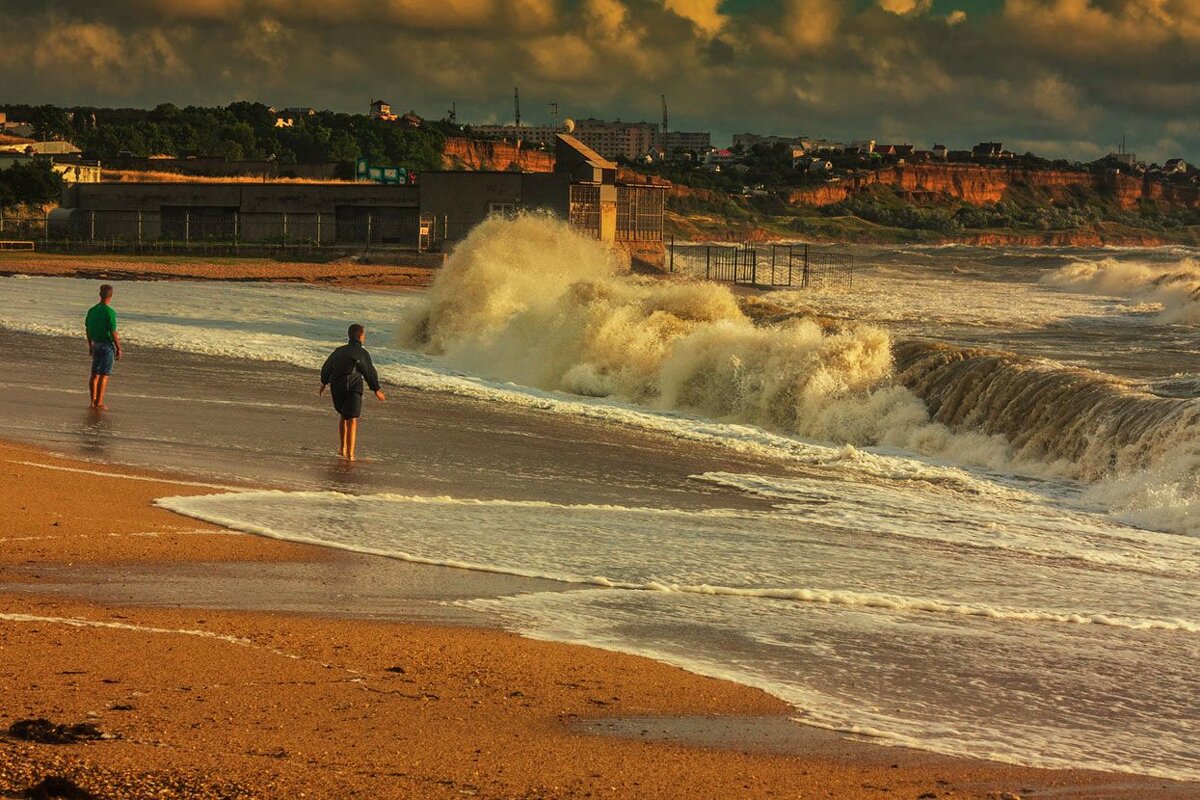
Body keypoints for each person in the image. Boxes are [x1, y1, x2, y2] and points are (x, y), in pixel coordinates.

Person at [319, 324, 385, 461]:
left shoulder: (339, 351)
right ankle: (350, 454)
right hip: (353, 387)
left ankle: (342, 448)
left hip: (337, 387)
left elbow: (327, 366)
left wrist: (324, 382)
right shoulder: (362, 353)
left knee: (344, 416)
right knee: (352, 419)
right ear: (360, 336)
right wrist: (376, 389)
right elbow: (369, 372)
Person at [85, 284, 122, 409]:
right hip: (106, 345)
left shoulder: (92, 310)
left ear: (100, 295)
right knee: (104, 374)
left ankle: (92, 400)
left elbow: (88, 328)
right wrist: (119, 347)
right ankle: (99, 402)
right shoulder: (109, 312)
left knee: (94, 373)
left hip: (96, 343)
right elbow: (113, 332)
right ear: (110, 296)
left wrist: (90, 344)